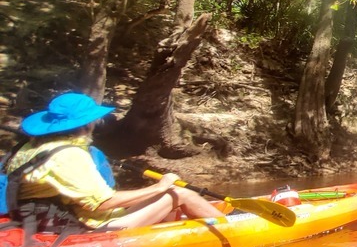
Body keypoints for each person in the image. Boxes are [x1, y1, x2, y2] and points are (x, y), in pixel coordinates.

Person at [7, 92, 224, 230]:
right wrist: (161, 187)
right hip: (90, 225)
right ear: (87, 124)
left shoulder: (31, 147)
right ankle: (238, 229)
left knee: (169, 200)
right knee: (180, 194)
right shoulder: (68, 156)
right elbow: (103, 202)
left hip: (46, 219)